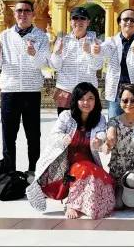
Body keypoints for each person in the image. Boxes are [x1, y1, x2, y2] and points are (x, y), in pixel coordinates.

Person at [26, 82, 115, 219]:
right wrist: (63, 137)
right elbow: (53, 136)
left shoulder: (99, 118)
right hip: (63, 162)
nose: (86, 102)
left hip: (87, 160)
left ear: (96, 100)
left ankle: (85, 203)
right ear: (75, 100)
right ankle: (71, 204)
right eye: (82, 99)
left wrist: (100, 143)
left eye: (90, 98)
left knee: (105, 180)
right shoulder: (66, 116)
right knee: (84, 170)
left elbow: (101, 136)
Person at [0, 0, 50, 179]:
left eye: (27, 11)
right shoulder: (5, 35)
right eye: (19, 11)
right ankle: (9, 173)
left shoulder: (41, 36)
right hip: (10, 89)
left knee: (33, 135)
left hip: (31, 91)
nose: (23, 14)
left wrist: (34, 54)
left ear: (33, 14)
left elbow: (44, 63)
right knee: (8, 135)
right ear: (15, 14)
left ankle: (34, 172)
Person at [92, 8, 134, 118]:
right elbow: (105, 49)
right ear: (120, 22)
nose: (129, 22)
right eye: (125, 19)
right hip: (116, 91)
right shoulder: (112, 41)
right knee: (114, 128)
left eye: (133, 20)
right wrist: (98, 50)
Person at [50, 7, 103, 115]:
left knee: (88, 128)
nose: (79, 21)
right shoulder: (62, 41)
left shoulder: (96, 42)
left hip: (87, 92)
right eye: (75, 18)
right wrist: (57, 53)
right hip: (66, 90)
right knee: (65, 127)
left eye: (82, 18)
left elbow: (98, 66)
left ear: (88, 22)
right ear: (70, 21)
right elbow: (55, 67)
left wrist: (88, 53)